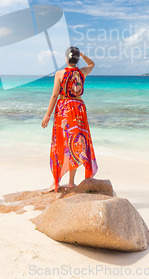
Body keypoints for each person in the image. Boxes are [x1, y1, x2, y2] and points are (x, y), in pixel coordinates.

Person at [41, 46, 98, 192]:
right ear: (78, 58)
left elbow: (54, 95)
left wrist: (47, 115)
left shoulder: (60, 74)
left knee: (61, 143)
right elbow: (92, 64)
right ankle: (71, 182)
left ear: (66, 58)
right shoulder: (82, 72)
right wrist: (83, 54)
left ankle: (56, 181)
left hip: (64, 109)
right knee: (75, 143)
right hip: (78, 109)